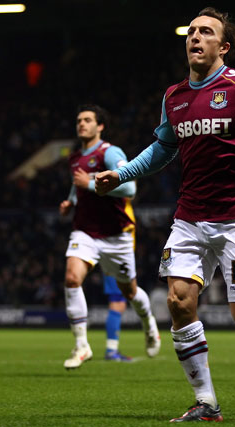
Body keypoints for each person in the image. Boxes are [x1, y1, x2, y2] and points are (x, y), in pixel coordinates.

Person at [95, 7, 235, 423]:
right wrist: (122, 173)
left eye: (206, 32)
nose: (195, 37)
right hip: (189, 217)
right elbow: (163, 149)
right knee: (180, 303)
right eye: (191, 32)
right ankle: (207, 403)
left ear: (224, 46)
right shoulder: (174, 97)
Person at [59, 104, 161, 370]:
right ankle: (81, 345)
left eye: (88, 120)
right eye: (79, 120)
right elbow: (77, 184)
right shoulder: (74, 157)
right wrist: (70, 202)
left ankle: (148, 322)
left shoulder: (110, 152)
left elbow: (129, 187)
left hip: (116, 235)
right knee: (72, 279)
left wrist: (90, 185)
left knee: (129, 291)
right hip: (85, 231)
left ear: (100, 126)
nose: (82, 124)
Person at [102, 274, 132, 362]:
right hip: (116, 263)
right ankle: (111, 351)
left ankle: (111, 350)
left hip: (118, 264)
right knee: (117, 302)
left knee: (120, 303)